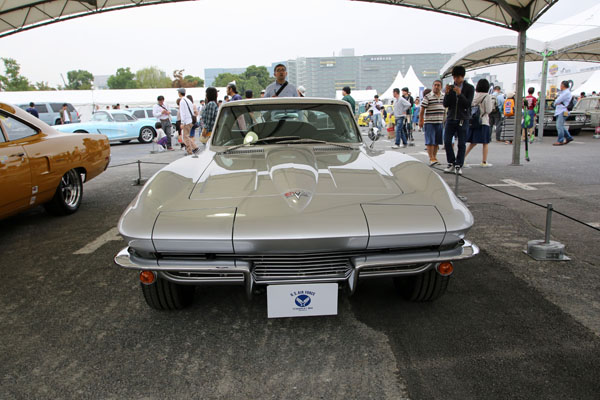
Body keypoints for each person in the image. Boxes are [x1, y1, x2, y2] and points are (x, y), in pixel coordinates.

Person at [443, 65, 475, 175]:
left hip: (463, 118)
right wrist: (447, 93)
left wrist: (460, 94)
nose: (456, 79)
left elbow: (468, 104)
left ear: (462, 76)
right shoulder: (451, 87)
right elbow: (445, 104)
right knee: (447, 141)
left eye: (458, 77)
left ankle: (458, 164)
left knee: (461, 143)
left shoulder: (469, 88)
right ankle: (451, 162)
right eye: (454, 77)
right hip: (451, 118)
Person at [465, 79, 494, 167]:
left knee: (473, 142)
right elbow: (488, 110)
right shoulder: (487, 96)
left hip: (473, 121)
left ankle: (462, 158)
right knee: (485, 142)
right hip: (483, 121)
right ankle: (484, 162)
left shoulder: (474, 95)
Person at [419, 80, 445, 165]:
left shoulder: (443, 96)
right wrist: (421, 120)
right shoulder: (428, 96)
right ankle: (431, 158)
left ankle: (434, 157)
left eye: (438, 85)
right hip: (429, 122)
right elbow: (422, 110)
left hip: (439, 121)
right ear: (432, 86)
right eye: (435, 85)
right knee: (430, 141)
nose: (436, 87)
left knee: (437, 141)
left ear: (441, 87)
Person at [177, 88, 200, 155]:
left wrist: (182, 122)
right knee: (187, 136)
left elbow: (182, 112)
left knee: (185, 137)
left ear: (180, 93)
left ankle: (189, 151)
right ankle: (195, 147)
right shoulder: (188, 100)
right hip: (190, 120)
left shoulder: (182, 101)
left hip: (186, 121)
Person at [553, 80, 574, 146]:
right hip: (561, 110)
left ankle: (560, 140)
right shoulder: (565, 92)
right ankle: (568, 137)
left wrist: (556, 102)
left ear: (563, 86)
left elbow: (557, 101)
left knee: (559, 126)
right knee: (561, 126)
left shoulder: (566, 93)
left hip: (562, 111)